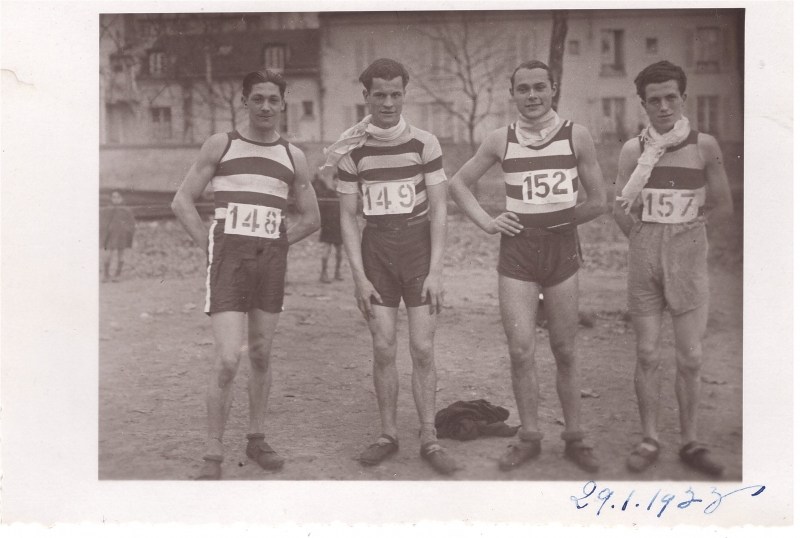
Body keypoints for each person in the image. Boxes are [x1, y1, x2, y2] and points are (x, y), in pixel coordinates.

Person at [448, 60, 606, 472]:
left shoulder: (578, 135)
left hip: (561, 254)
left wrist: (560, 220)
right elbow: (458, 184)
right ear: (513, 94)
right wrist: (487, 221)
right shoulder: (501, 139)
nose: (532, 96)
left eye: (540, 87)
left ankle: (574, 437)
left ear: (553, 90)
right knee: (520, 351)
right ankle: (531, 436)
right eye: (523, 89)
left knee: (565, 349)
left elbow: (598, 200)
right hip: (516, 255)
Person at [171, 70, 320, 480]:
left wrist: (276, 241)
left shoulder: (294, 155)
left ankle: (256, 438)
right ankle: (212, 452)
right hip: (228, 259)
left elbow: (311, 218)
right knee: (226, 359)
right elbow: (182, 201)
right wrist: (210, 244)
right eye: (258, 99)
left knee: (261, 353)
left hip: (270, 259)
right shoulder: (223, 144)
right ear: (245, 100)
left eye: (274, 99)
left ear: (284, 103)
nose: (266, 107)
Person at [321, 58, 456, 475]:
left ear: (404, 93)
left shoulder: (424, 143)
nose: (388, 102)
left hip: (417, 247)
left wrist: (435, 270)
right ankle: (387, 433)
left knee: (422, 347)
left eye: (396, 93)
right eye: (379, 94)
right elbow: (346, 216)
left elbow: (439, 209)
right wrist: (359, 277)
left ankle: (429, 436)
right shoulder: (351, 149)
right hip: (376, 248)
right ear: (366, 96)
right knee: (383, 347)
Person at [613, 61, 733, 476]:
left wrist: (690, 237)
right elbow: (619, 206)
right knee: (646, 352)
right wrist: (644, 238)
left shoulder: (704, 145)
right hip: (645, 256)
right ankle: (649, 438)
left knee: (691, 357)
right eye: (654, 100)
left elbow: (723, 205)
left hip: (688, 257)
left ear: (683, 98)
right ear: (642, 103)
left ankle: (691, 441)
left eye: (670, 98)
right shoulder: (633, 150)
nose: (663, 107)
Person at [312, 173, 344, 283]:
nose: (338, 183)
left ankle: (337, 272)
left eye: (340, 181)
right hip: (329, 226)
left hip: (339, 227)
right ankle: (323, 273)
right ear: (333, 182)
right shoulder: (328, 194)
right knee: (326, 250)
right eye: (336, 181)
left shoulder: (345, 196)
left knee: (339, 252)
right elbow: (321, 209)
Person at [100, 190, 136, 282]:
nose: (116, 199)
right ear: (111, 199)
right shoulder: (107, 209)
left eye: (118, 197)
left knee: (121, 254)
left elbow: (131, 223)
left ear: (122, 198)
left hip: (121, 235)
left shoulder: (126, 210)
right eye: (114, 197)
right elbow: (102, 223)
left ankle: (117, 274)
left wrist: (128, 233)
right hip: (110, 235)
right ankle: (106, 274)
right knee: (107, 254)